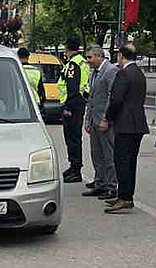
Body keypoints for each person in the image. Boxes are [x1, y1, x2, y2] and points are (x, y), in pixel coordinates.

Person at [103, 43, 149, 213]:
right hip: (138, 123)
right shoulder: (139, 73)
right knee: (130, 162)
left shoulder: (123, 74)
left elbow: (116, 100)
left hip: (125, 123)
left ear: (122, 55)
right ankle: (126, 195)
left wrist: (108, 118)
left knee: (121, 160)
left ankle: (124, 198)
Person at [82, 46, 119, 200]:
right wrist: (87, 119)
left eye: (90, 57)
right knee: (96, 154)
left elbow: (112, 96)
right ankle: (100, 183)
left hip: (105, 121)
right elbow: (92, 98)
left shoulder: (110, 71)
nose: (87, 61)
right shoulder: (93, 73)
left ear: (98, 56)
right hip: (94, 120)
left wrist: (106, 118)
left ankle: (111, 186)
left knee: (108, 155)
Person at [58, 36, 90, 182]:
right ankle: (74, 167)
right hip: (78, 103)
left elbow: (72, 87)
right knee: (73, 137)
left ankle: (76, 170)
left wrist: (67, 107)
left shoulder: (73, 64)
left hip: (73, 105)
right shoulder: (81, 61)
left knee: (72, 138)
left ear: (67, 47)